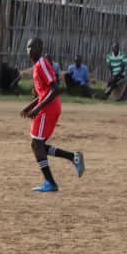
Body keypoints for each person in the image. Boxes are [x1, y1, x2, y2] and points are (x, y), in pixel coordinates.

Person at [20, 38, 85, 193]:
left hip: (48, 109)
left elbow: (55, 89)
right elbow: (44, 93)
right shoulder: (37, 65)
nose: (28, 50)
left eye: (31, 47)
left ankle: (50, 183)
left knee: (37, 145)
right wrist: (30, 106)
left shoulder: (42, 64)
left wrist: (37, 109)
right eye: (27, 47)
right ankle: (74, 157)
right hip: (47, 107)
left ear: (39, 48)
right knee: (38, 145)